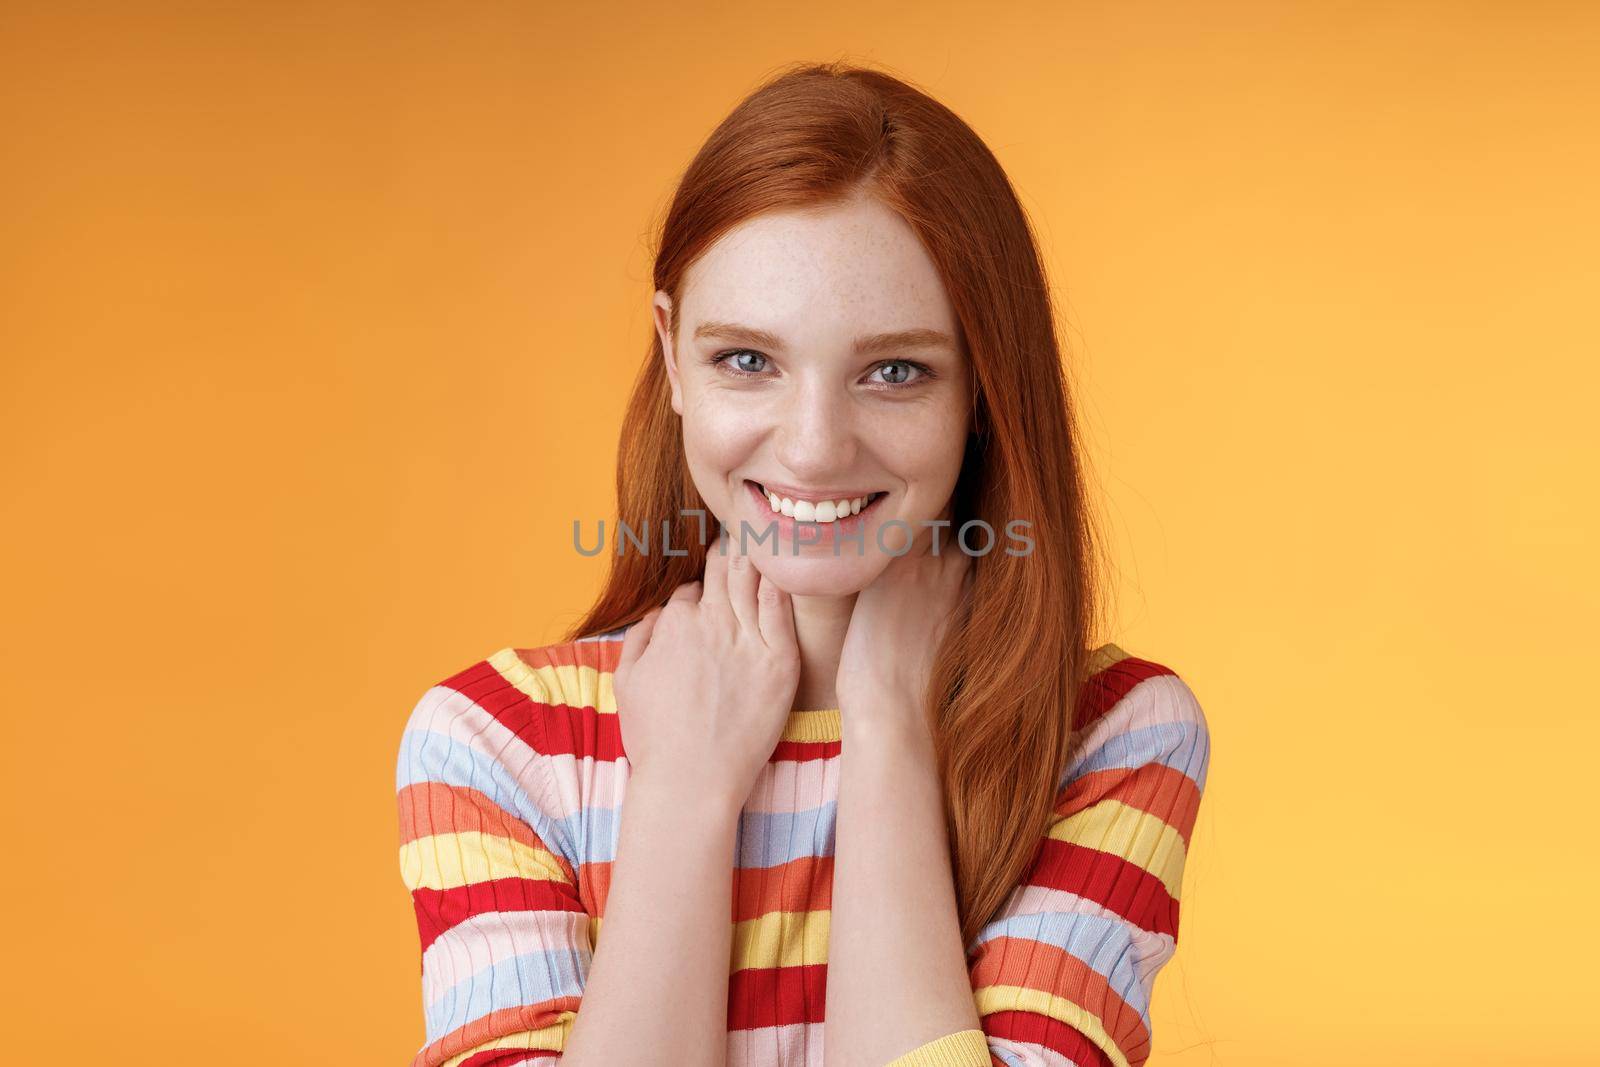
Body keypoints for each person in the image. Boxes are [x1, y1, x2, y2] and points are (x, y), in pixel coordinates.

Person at [396, 61, 1211, 1067]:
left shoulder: (1107, 736)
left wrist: (889, 730)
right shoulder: (493, 744)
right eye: (747, 359)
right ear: (673, 354)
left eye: (896, 370)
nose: (816, 446)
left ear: (983, 391)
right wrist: (684, 796)